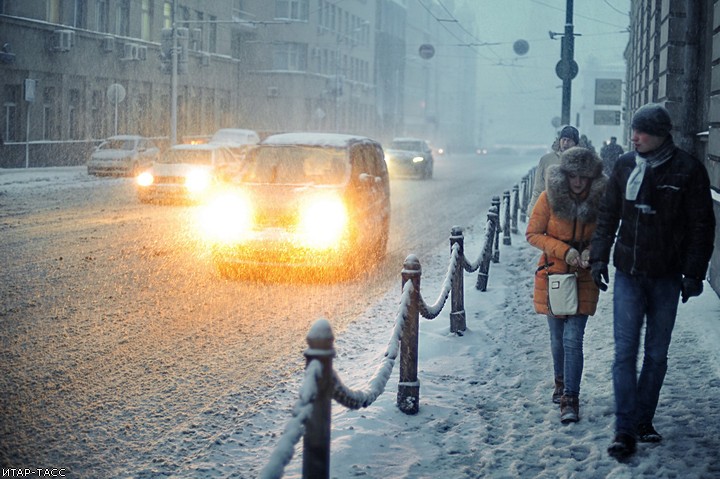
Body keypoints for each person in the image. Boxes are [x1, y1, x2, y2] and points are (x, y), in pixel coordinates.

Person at [589, 103, 716, 461]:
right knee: (624, 352)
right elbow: (608, 214)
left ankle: (643, 419)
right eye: (634, 131)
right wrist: (599, 257)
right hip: (628, 272)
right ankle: (625, 429)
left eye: (642, 131)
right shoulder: (626, 165)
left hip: (666, 276)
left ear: (661, 134)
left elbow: (701, 226)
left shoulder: (688, 170)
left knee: (657, 354)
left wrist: (693, 272)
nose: (635, 137)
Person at [526, 146, 607, 424]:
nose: (578, 182)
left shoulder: (599, 201)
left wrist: (591, 251)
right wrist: (564, 250)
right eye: (573, 175)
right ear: (565, 174)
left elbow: (607, 232)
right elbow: (533, 234)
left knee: (574, 339)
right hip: (554, 275)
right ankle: (559, 382)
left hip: (584, 275)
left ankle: (570, 398)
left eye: (583, 176)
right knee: (557, 338)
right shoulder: (549, 198)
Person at [527, 125, 579, 214]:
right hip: (549, 211)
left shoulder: (582, 161)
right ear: (559, 141)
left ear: (575, 143)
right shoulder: (546, 160)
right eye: (564, 139)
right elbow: (539, 188)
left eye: (569, 140)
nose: (566, 143)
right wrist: (533, 211)